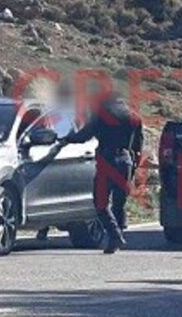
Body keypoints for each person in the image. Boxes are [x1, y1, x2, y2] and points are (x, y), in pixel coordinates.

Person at [59, 91, 144, 254]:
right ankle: (117, 237)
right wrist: (134, 166)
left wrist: (67, 138)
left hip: (107, 160)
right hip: (126, 160)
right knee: (119, 203)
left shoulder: (102, 114)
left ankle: (115, 235)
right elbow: (138, 146)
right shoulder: (134, 117)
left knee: (101, 203)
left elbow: (84, 135)